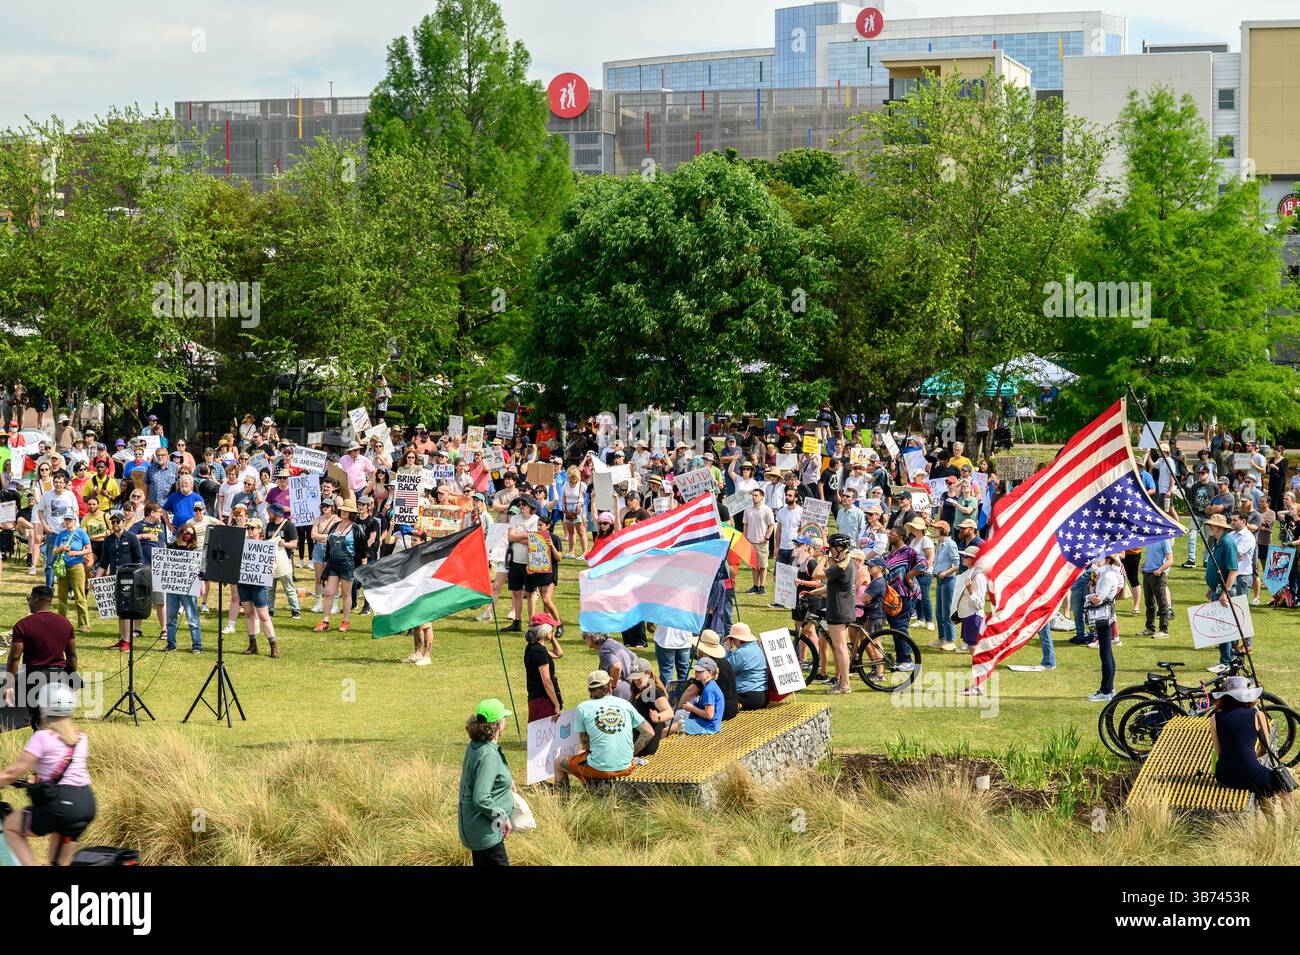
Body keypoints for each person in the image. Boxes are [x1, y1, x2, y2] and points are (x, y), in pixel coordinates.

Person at [0, 683, 96, 866]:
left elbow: (12, 772)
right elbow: (67, 771)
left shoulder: (43, 736)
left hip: (61, 805)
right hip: (85, 804)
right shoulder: (80, 737)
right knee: (57, 863)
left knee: (11, 826)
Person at [553, 670, 654, 790]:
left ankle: (563, 803)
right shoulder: (625, 704)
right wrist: (631, 753)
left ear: (590, 690)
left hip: (598, 769)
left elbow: (585, 744)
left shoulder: (582, 708)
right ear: (610, 687)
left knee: (558, 762)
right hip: (626, 766)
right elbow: (649, 732)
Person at [1210, 675, 1291, 816]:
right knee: (1281, 783)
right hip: (1249, 773)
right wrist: (1255, 755)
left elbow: (1219, 752)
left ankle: (1272, 828)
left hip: (1224, 775)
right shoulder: (1257, 715)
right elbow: (1266, 748)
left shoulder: (1215, 717)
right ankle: (1289, 823)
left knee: (1260, 779)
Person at [3, 586, 77, 730]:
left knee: (39, 723)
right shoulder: (65, 623)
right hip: (60, 676)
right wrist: (72, 676)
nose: (29, 602)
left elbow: (15, 658)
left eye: (29, 599)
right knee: (59, 722)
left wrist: (9, 684)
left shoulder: (23, 625)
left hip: (35, 679)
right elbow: (72, 655)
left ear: (36, 599)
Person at [457, 698, 516, 867]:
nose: (505, 721)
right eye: (503, 718)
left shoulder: (475, 744)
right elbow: (481, 798)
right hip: (485, 831)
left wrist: (507, 781)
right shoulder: (488, 754)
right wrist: (502, 817)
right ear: (498, 725)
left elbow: (485, 775)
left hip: (479, 828)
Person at [815, 532, 856, 694]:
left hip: (838, 610)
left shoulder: (840, 567)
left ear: (839, 548)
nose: (830, 551)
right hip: (843, 609)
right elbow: (832, 586)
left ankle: (845, 684)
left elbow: (816, 574)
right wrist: (813, 593)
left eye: (831, 548)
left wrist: (824, 558)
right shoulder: (848, 562)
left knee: (840, 648)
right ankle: (842, 682)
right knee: (841, 647)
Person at [315, 499, 364, 632]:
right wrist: (326, 562)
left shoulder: (356, 528)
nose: (343, 512)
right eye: (342, 509)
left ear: (351, 513)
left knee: (346, 593)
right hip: (332, 563)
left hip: (348, 563)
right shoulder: (334, 526)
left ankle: (345, 621)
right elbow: (329, 547)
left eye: (346, 510)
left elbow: (362, 550)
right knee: (329, 592)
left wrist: (363, 568)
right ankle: (325, 621)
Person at [1203, 513, 1241, 674]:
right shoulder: (1218, 541)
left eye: (1211, 525)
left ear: (1218, 526)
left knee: (1223, 627)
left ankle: (1226, 661)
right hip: (1217, 590)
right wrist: (1211, 587)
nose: (1209, 527)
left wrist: (1225, 593)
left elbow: (1233, 570)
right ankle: (1229, 659)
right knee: (1220, 626)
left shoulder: (1227, 542)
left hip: (1224, 592)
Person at [1085, 554, 1125, 702]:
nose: (1096, 560)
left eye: (1100, 558)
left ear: (1107, 559)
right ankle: (1109, 688)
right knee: (1106, 652)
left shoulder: (1108, 575)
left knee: (1105, 653)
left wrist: (1089, 597)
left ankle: (1106, 690)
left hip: (1103, 616)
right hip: (1105, 615)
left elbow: (1097, 599)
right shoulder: (1105, 573)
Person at [238, 520, 279, 658]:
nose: (249, 530)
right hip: (243, 583)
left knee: (264, 616)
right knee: (249, 613)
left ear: (259, 529)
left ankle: (273, 646)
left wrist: (271, 570)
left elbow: (273, 562)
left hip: (258, 584)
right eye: (248, 528)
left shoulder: (266, 545)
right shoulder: (242, 544)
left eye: (252, 528)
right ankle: (252, 643)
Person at [103, 511, 143, 651]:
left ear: (123, 523)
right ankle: (122, 639)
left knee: (126, 610)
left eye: (117, 522)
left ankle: (127, 640)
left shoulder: (132, 538)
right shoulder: (108, 540)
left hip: (129, 579)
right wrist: (95, 580)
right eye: (112, 522)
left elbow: (139, 560)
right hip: (115, 578)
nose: (115, 524)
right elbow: (103, 562)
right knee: (120, 610)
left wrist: (137, 579)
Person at [50, 511, 92, 632]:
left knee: (80, 596)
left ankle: (84, 625)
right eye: (66, 519)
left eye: (70, 520)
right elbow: (53, 552)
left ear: (75, 521)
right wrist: (61, 548)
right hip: (63, 568)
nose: (67, 522)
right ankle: (61, 623)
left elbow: (89, 550)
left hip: (76, 566)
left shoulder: (80, 532)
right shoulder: (60, 534)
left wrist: (76, 553)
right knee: (62, 597)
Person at [626, 657, 673, 757]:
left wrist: (658, 717)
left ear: (648, 674)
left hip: (644, 745)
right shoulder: (640, 690)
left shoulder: (653, 692)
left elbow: (669, 712)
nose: (636, 681)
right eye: (633, 678)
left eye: (639, 677)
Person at [667, 657, 725, 735]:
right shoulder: (710, 685)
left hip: (706, 726)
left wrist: (692, 708)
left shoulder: (709, 690)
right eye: (696, 671)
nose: (696, 673)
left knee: (667, 729)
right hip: (705, 723)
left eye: (700, 671)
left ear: (710, 673)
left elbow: (709, 715)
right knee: (672, 722)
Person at [524, 618, 564, 721]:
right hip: (543, 700)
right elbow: (547, 681)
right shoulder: (539, 651)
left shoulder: (533, 647)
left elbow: (559, 654)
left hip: (536, 699)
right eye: (551, 628)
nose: (553, 630)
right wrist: (556, 704)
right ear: (545, 630)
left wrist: (552, 638)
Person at [725, 622, 768, 710]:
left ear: (737, 639)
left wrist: (727, 650)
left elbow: (725, 670)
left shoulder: (741, 653)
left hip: (747, 696)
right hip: (763, 694)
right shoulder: (757, 647)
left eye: (732, 639)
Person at [1141, 535, 1173, 638]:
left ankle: (1164, 630)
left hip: (1158, 575)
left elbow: (1170, 560)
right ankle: (1150, 628)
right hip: (1147, 574)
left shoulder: (1165, 540)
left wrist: (1159, 570)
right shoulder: (1150, 538)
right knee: (1149, 602)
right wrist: (1144, 565)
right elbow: (1150, 555)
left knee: (1162, 603)